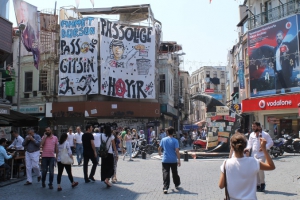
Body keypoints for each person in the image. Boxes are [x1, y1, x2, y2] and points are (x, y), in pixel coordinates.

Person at [218, 133, 275, 199]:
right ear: (245, 146)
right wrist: (264, 148)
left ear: (232, 147)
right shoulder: (253, 161)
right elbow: (271, 166)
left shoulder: (226, 163)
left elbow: (221, 185)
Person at [245, 121, 274, 192]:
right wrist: (247, 148)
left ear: (258, 127)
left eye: (254, 126)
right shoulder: (251, 135)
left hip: (262, 154)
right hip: (253, 155)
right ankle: (257, 185)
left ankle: (262, 183)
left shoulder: (265, 134)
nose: (253, 128)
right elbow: (250, 144)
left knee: (260, 168)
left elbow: (271, 143)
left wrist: (265, 147)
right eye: (252, 126)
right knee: (255, 170)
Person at [17, 0, 40, 69]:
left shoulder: (32, 30)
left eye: (24, 10)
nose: (23, 12)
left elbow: (34, 47)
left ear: (27, 11)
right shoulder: (19, 27)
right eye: (21, 10)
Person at [158, 126, 181, 194]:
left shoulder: (163, 140)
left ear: (167, 132)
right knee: (174, 173)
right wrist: (179, 160)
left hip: (165, 159)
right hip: (173, 160)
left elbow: (159, 148)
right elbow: (177, 151)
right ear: (173, 132)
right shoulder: (175, 141)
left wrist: (159, 152)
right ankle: (177, 184)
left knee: (165, 173)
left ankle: (165, 187)